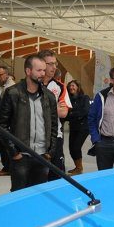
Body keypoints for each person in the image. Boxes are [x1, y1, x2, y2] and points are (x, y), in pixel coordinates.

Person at [0, 54, 57, 192]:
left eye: (44, 70)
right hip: (21, 156)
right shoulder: (12, 93)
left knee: (40, 196)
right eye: (39, 70)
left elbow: (54, 125)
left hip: (43, 156)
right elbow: (2, 126)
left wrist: (50, 152)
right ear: (28, 71)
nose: (43, 73)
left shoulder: (48, 96)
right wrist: (14, 152)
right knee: (19, 194)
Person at [39, 50, 70, 179]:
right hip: (35, 136)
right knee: (36, 176)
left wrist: (41, 108)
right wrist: (54, 107)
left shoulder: (60, 87)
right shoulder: (31, 85)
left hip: (55, 135)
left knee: (56, 174)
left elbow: (63, 113)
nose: (54, 67)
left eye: (55, 63)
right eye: (50, 63)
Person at [0, 65, 15, 176]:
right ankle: (7, 166)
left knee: (7, 144)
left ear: (7, 74)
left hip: (8, 121)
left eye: (1, 74)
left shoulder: (11, 87)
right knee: (3, 144)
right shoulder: (0, 86)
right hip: (1, 120)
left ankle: (8, 167)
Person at [66, 80, 90, 174]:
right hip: (73, 126)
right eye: (69, 86)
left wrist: (71, 113)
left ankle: (79, 168)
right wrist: (73, 114)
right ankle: (77, 167)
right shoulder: (68, 99)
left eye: (73, 85)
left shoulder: (84, 98)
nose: (71, 88)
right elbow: (66, 114)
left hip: (83, 127)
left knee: (76, 147)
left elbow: (85, 111)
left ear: (78, 87)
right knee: (71, 148)